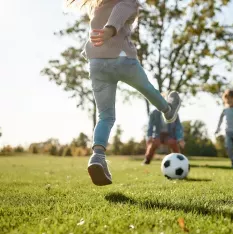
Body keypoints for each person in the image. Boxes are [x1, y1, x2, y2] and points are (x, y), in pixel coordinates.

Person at [68, 0, 182, 185]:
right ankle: (168, 110)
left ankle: (97, 157)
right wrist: (110, 30)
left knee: (105, 116)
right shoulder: (128, 2)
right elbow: (119, 12)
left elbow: (107, 21)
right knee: (147, 88)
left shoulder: (98, 6)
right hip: (123, 60)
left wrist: (100, 38)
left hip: (97, 64)